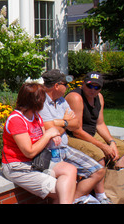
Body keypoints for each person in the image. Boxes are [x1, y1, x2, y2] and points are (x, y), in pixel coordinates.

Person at [2, 82, 78, 204]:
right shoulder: (16, 120)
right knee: (64, 190)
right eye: (43, 98)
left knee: (70, 170)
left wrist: (51, 138)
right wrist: (48, 134)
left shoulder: (36, 116)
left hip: (38, 162)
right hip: (18, 167)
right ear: (36, 101)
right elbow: (29, 152)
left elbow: (43, 140)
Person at [39, 69, 105, 204]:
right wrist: (65, 122)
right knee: (67, 177)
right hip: (49, 152)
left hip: (65, 147)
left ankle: (74, 199)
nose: (67, 88)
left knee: (98, 171)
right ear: (57, 86)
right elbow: (47, 128)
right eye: (65, 84)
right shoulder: (40, 102)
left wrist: (59, 122)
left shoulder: (62, 101)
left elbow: (75, 124)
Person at [66, 71, 124, 202]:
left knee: (122, 148)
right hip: (72, 137)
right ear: (83, 84)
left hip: (91, 133)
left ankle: (116, 189)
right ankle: (100, 196)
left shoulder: (99, 97)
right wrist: (103, 146)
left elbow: (100, 124)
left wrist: (111, 142)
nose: (93, 90)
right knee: (99, 155)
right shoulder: (76, 98)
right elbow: (77, 131)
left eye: (96, 87)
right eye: (89, 86)